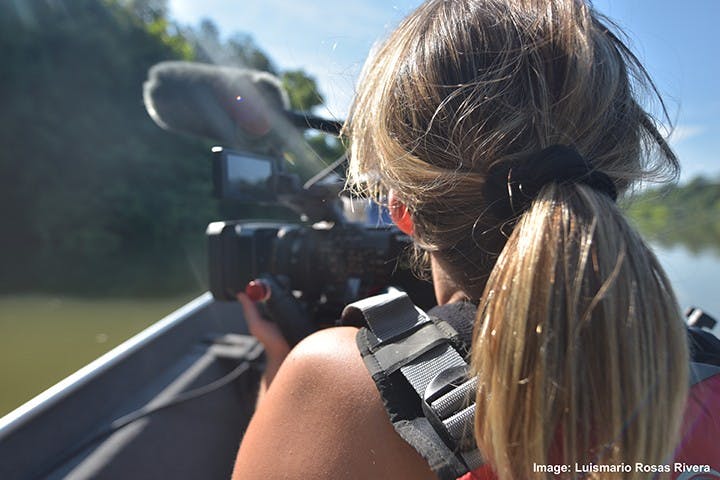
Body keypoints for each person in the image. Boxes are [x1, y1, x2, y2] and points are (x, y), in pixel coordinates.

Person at [231, 0, 719, 478]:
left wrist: (280, 368)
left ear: (402, 209)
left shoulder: (340, 384)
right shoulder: (706, 368)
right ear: (618, 179)